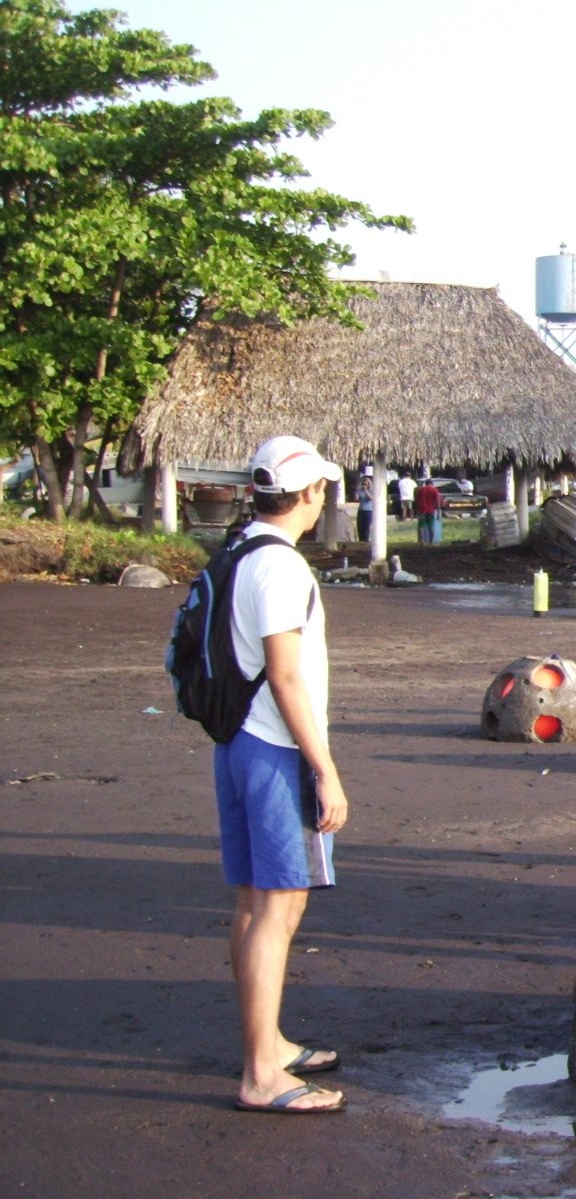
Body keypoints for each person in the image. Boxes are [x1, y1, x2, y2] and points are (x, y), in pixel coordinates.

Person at [218, 435, 349, 1114]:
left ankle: (265, 1042)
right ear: (305, 495)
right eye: (321, 488)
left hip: (239, 743)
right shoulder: (281, 568)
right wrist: (324, 768)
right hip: (275, 747)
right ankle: (261, 1072)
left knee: (252, 903)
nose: (324, 497)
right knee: (279, 906)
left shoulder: (239, 551)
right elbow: (286, 673)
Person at [413, 477, 442, 545]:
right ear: (432, 484)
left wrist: (417, 509)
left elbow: (417, 501)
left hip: (422, 510)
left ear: (425, 484)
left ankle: (421, 541)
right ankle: (430, 542)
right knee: (431, 526)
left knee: (421, 526)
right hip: (431, 511)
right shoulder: (434, 490)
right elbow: (437, 502)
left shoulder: (421, 490)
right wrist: (438, 512)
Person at [354, 466, 374, 543]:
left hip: (368, 510)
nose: (365, 485)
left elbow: (370, 498)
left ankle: (366, 540)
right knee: (360, 526)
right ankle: (361, 540)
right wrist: (356, 491)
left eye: (366, 483)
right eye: (363, 483)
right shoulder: (360, 490)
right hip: (361, 510)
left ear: (369, 484)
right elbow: (356, 499)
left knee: (366, 526)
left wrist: (366, 490)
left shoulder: (371, 490)